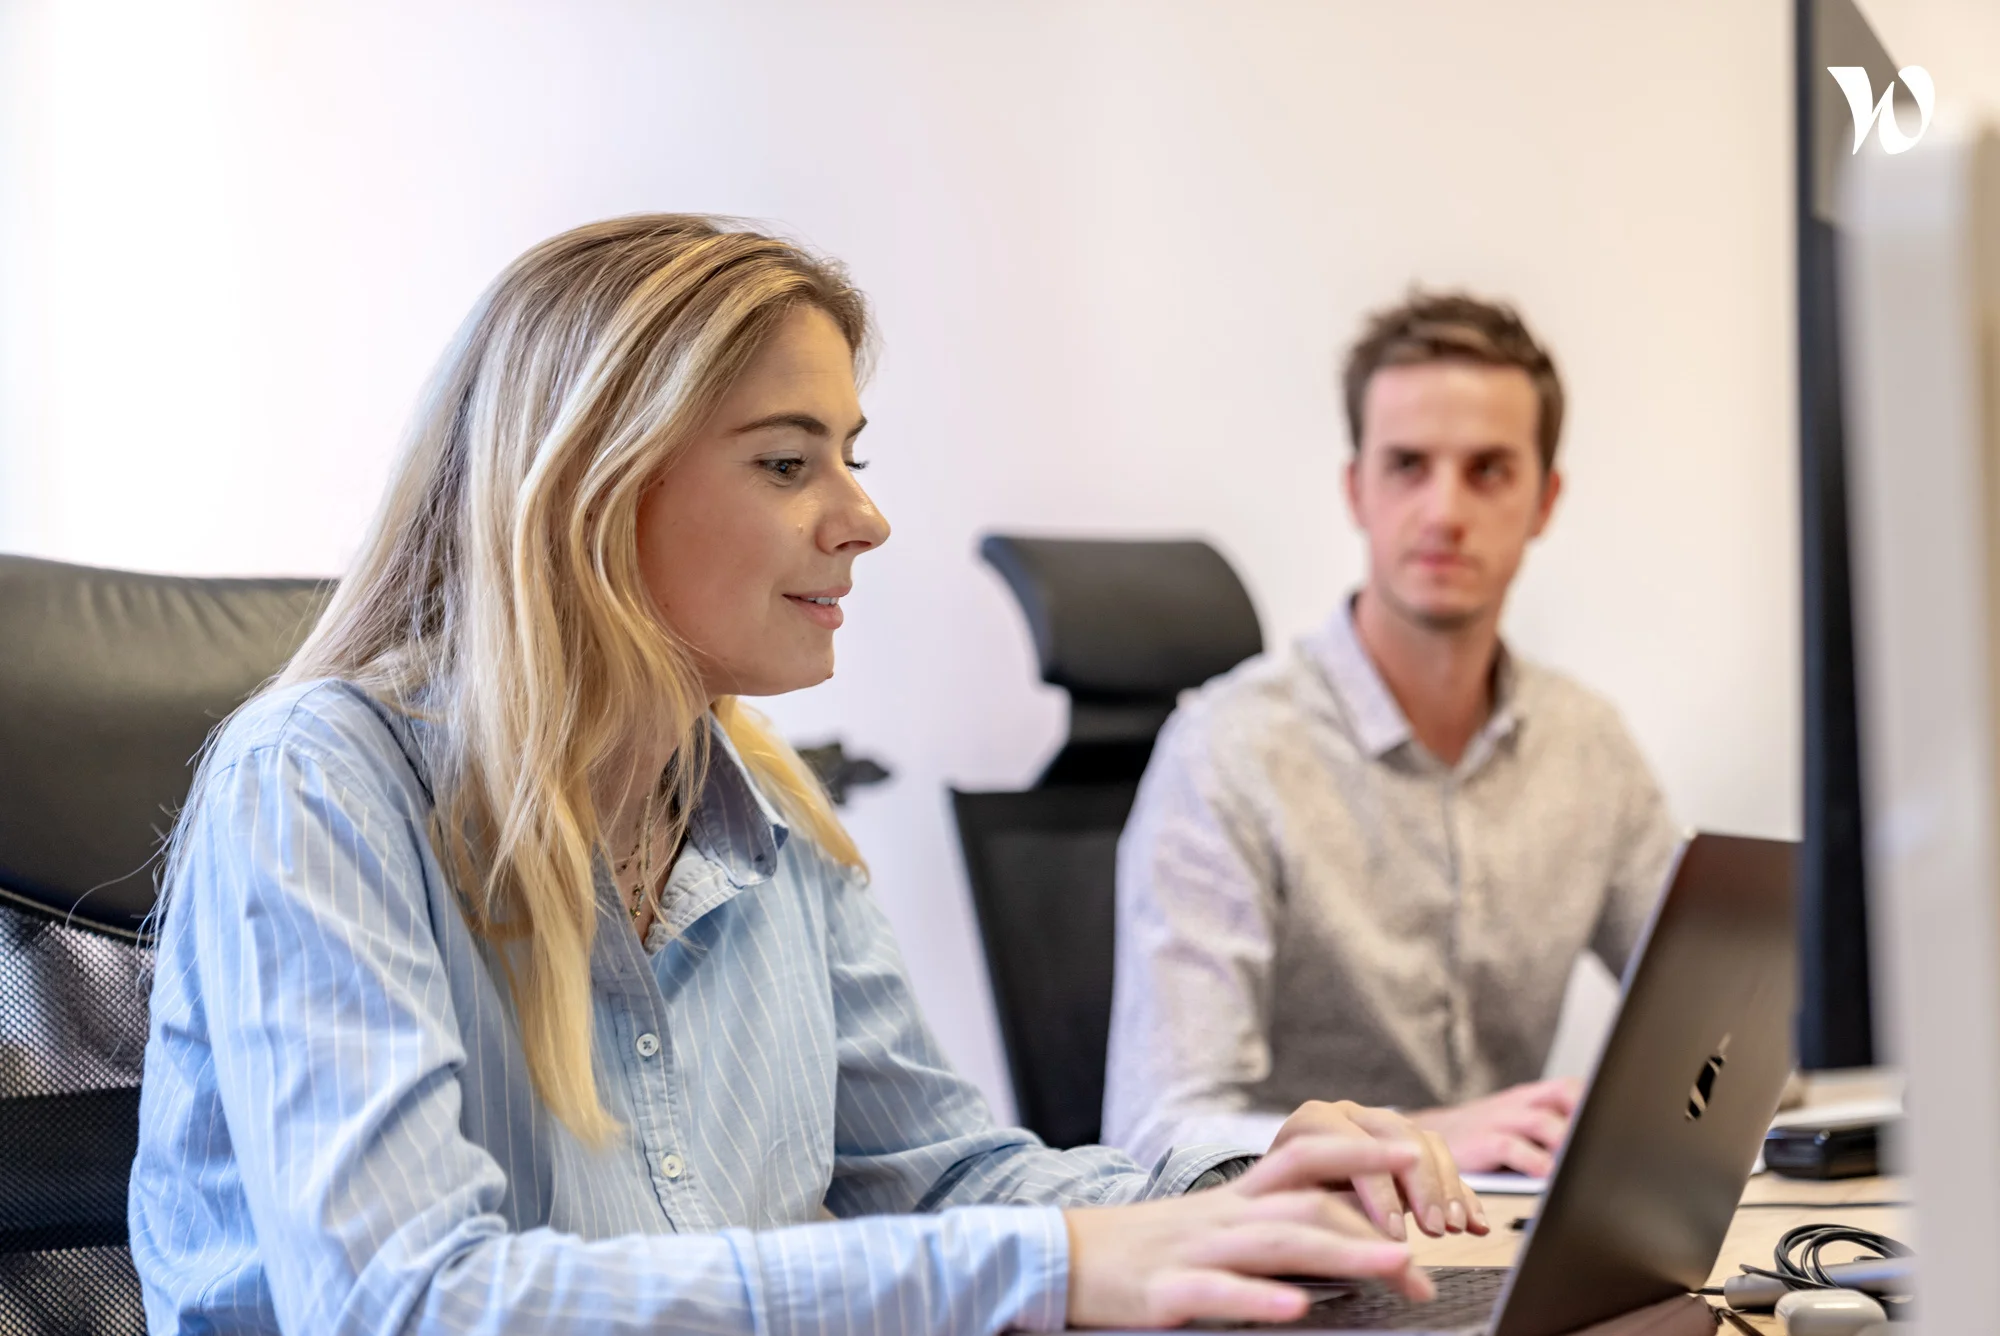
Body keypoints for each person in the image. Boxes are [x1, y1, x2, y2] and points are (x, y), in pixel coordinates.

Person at [127, 216, 1487, 1336]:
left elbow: (952, 1177)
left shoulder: (770, 816)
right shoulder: (314, 791)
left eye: (851, 455)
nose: (865, 517)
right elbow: (404, 1302)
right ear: (590, 487)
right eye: (788, 462)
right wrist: (1049, 1268)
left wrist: (1238, 1190)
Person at [1102, 291, 1683, 1179]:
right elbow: (1157, 1130)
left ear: (1545, 500)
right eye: (1408, 465)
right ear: (1356, 491)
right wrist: (1424, 1138)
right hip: (1303, 1263)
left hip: (1504, 1236)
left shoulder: (1588, 746)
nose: (1445, 511)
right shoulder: (1227, 751)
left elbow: (1715, 1022)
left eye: (1488, 470)